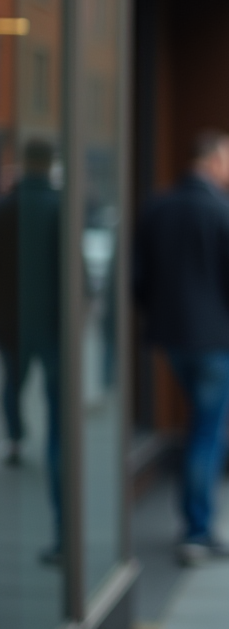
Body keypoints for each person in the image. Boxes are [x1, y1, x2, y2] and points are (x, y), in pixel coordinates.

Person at [134, 131, 229, 568]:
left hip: (172, 338)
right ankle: (197, 530)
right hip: (217, 341)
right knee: (208, 433)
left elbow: (139, 278)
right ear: (218, 162)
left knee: (198, 428)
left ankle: (194, 521)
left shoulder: (158, 207)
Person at [0, 139, 64, 565]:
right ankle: (51, 445)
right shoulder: (60, 206)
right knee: (55, 397)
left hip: (13, 318)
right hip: (53, 322)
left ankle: (18, 437)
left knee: (14, 381)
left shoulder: (7, 206)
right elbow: (70, 267)